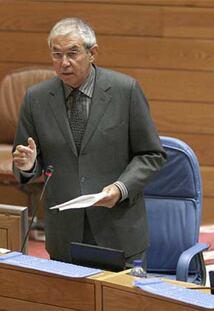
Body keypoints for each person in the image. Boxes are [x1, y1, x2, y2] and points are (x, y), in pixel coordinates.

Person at [12, 17, 166, 265]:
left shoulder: (125, 91)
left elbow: (151, 154)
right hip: (65, 234)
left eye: (73, 53)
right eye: (57, 55)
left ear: (92, 53)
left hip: (118, 230)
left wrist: (121, 188)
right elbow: (26, 160)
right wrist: (28, 164)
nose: (64, 63)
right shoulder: (36, 99)